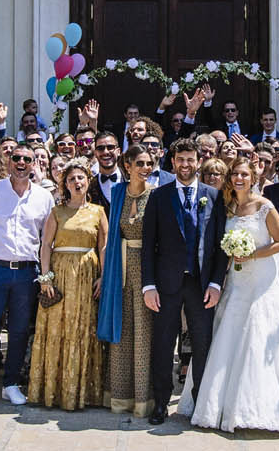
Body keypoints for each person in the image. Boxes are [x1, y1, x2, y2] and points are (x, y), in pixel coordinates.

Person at [176, 155, 279, 435]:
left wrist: (252, 254)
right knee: (230, 335)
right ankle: (222, 404)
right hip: (236, 281)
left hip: (263, 279)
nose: (239, 179)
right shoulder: (227, 208)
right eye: (235, 174)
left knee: (262, 334)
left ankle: (271, 407)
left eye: (244, 175)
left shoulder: (265, 206)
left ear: (253, 178)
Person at [140, 138, 225, 426]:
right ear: (172, 162)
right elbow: (149, 245)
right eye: (181, 160)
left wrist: (216, 283)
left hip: (201, 285)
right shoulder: (159, 197)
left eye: (191, 159)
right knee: (163, 344)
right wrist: (148, 285)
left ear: (199, 162)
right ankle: (161, 402)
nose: (185, 164)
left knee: (202, 344)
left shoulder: (213, 196)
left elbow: (220, 246)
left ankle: (200, 403)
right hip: (165, 284)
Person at [0, 140, 54, 413]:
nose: (20, 163)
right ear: (8, 160)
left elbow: (46, 242)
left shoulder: (44, 197)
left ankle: (10, 384)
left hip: (27, 273)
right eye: (16, 157)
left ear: (35, 165)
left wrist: (46, 276)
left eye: (27, 160)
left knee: (18, 332)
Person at [28, 164, 108, 411]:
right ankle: (53, 391)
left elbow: (104, 246)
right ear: (66, 185)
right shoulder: (57, 212)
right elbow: (45, 246)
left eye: (81, 178)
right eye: (72, 179)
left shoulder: (98, 211)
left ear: (88, 181)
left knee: (84, 327)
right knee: (57, 327)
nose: (77, 182)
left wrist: (103, 277)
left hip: (87, 274)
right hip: (60, 273)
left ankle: (84, 392)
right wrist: (46, 278)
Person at [98, 145, 162, 419]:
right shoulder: (118, 193)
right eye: (140, 163)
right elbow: (112, 235)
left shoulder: (157, 195)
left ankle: (143, 399)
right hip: (120, 270)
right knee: (122, 332)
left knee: (144, 334)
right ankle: (120, 396)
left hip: (147, 271)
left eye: (149, 163)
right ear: (128, 165)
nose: (145, 169)